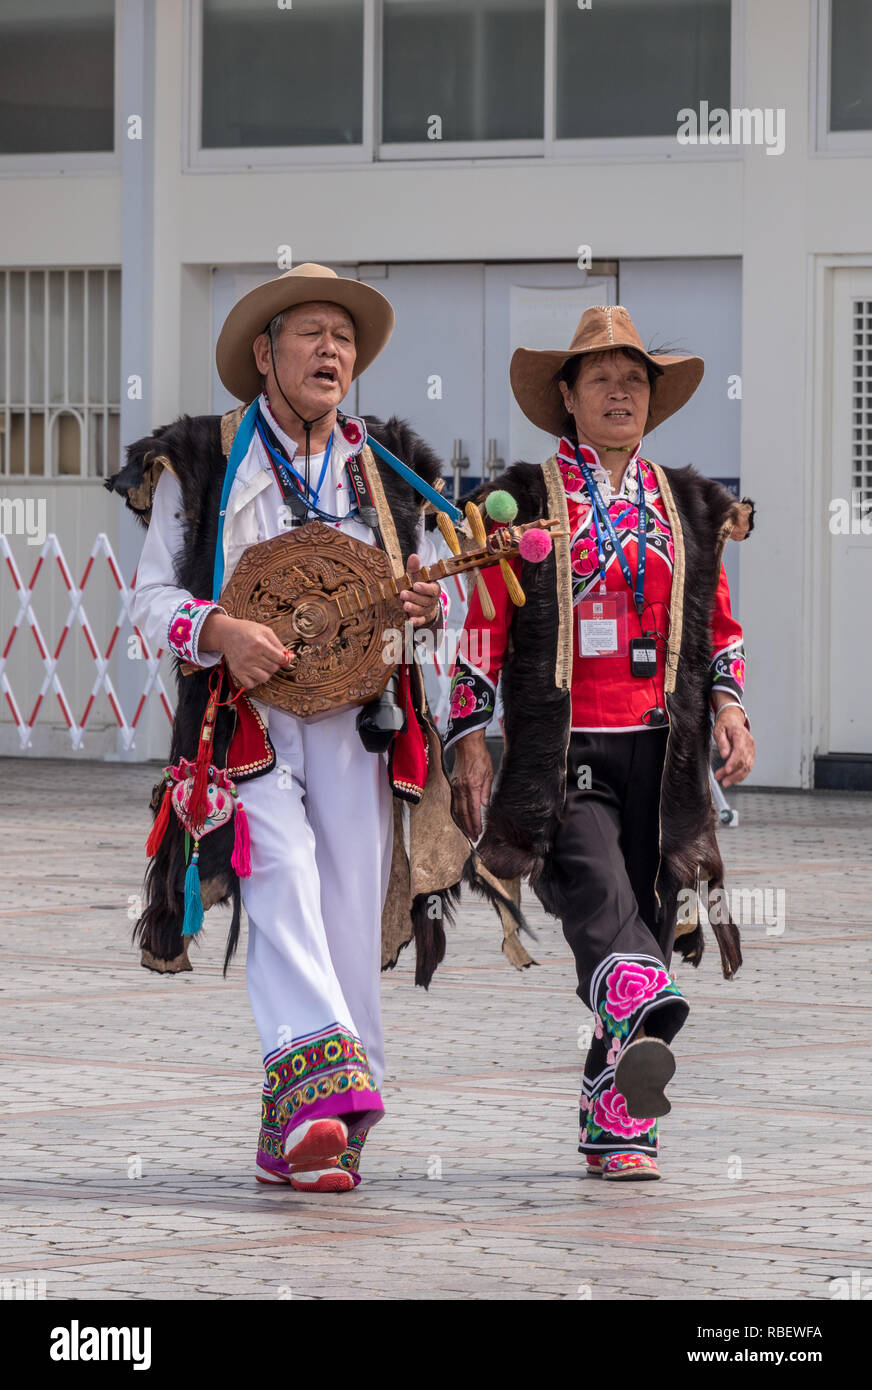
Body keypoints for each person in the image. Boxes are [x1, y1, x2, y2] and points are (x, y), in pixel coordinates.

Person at [107, 263, 512, 1193]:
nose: (332, 351)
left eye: (344, 337)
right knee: (282, 871)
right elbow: (146, 604)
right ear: (264, 354)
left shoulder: (391, 467)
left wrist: (421, 615)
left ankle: (303, 1120)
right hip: (242, 722)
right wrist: (215, 629)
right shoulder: (201, 460)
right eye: (311, 334)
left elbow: (441, 613)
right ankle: (330, 1097)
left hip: (359, 725)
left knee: (346, 908)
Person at [446, 304, 755, 1181]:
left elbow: (718, 628)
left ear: (651, 401)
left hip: (664, 750)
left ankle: (617, 1121)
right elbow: (481, 627)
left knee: (646, 922)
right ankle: (640, 1008)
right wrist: (471, 740)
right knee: (594, 888)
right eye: (601, 379)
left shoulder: (692, 503)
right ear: (567, 396)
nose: (620, 392)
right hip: (562, 746)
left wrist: (731, 709)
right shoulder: (522, 500)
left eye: (635, 380)